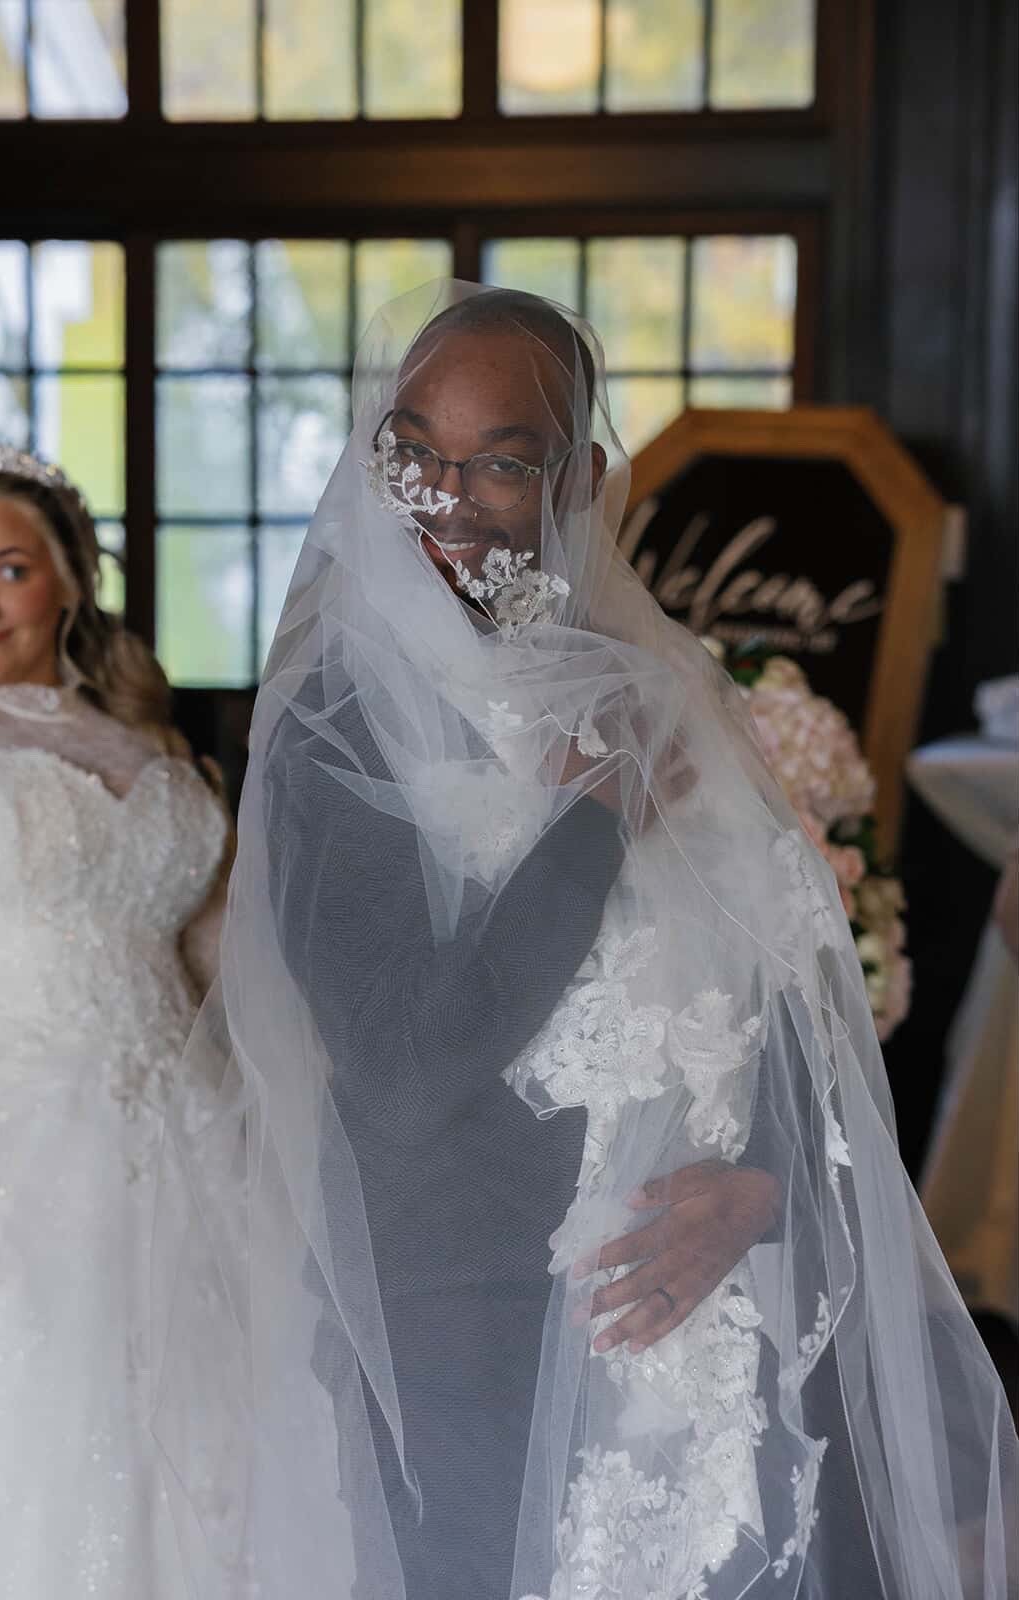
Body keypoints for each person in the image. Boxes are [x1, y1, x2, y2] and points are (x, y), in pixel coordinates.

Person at [154, 285, 1016, 1600]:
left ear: (583, 476)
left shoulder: (657, 684)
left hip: (692, 1343)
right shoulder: (338, 720)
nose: (445, 497)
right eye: (412, 452)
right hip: (458, 1333)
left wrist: (772, 1190)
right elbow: (401, 1064)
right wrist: (591, 814)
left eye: (499, 459)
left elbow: (778, 1005)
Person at [0, 440, 231, 1598]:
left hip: (194, 1136)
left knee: (203, 1430)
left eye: (9, 568)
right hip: (1, 1139)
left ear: (68, 578)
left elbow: (216, 955)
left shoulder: (154, 746)